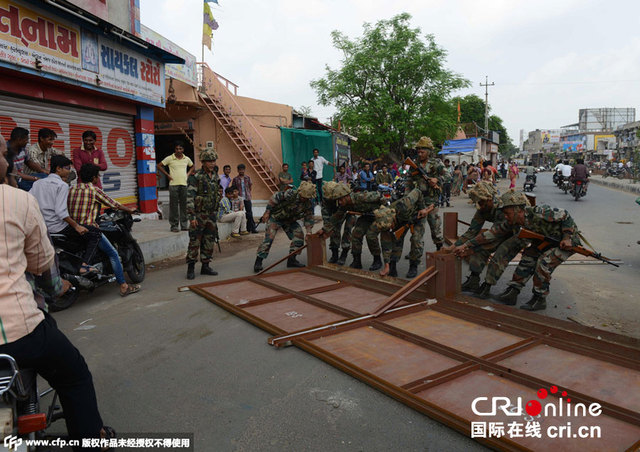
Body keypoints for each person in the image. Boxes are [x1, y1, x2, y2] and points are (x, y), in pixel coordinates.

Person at [0, 150, 115, 451]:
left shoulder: (40, 188)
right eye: (3, 154)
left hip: (59, 230)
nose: (9, 161)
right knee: (74, 375)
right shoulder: (17, 199)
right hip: (18, 328)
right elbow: (43, 265)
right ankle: (92, 438)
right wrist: (57, 287)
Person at [477, 190, 580, 311]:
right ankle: (513, 292)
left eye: (507, 213)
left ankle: (539, 298)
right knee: (528, 257)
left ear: (517, 210)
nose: (505, 216)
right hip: (545, 242)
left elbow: (565, 215)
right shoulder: (515, 222)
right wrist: (468, 245)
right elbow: (494, 233)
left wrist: (567, 237)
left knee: (544, 263)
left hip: (566, 243)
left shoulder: (539, 212)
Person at [68, 163, 141, 297]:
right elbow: (114, 204)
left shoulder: (72, 189)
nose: (99, 178)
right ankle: (124, 286)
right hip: (88, 229)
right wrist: (129, 209)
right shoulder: (94, 190)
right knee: (113, 254)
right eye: (98, 176)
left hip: (73, 228)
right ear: (94, 177)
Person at [449, 182, 525, 299]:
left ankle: (487, 285)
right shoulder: (482, 209)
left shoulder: (502, 208)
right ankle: (474, 280)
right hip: (498, 233)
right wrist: (455, 246)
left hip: (516, 234)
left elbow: (493, 234)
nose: (480, 206)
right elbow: (472, 231)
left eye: (482, 202)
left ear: (489, 198)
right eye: (478, 203)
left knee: (500, 253)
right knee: (477, 248)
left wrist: (466, 245)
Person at [30, 155, 101, 275]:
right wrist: (76, 226)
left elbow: (29, 202)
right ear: (58, 169)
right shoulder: (62, 185)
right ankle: (84, 266)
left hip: (43, 227)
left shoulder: (38, 183)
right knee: (95, 234)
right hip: (58, 227)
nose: (69, 171)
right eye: (67, 168)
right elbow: (60, 212)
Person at [319, 183, 385, 272]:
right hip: (366, 216)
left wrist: (384, 212)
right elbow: (336, 217)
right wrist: (324, 229)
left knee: (370, 235)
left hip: (378, 216)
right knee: (356, 234)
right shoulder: (344, 205)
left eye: (341, 199)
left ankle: (377, 260)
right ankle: (357, 261)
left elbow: (381, 197)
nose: (340, 202)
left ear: (347, 196)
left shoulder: (362, 197)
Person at [253, 181, 316, 272]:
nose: (303, 199)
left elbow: (309, 218)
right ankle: (258, 262)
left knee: (299, 236)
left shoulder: (309, 203)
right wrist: (267, 212)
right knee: (269, 239)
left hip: (289, 220)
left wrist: (309, 232)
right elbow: (274, 197)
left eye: (306, 198)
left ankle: (292, 260)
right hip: (276, 218)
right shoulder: (291, 194)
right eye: (302, 197)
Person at [374, 188, 434, 278]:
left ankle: (413, 265)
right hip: (404, 221)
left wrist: (422, 209)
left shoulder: (404, 204)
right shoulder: (384, 223)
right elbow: (385, 245)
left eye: (391, 226)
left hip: (418, 215)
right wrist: (387, 266)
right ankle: (392, 266)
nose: (390, 229)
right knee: (396, 240)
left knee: (416, 240)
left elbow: (417, 191)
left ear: (393, 219)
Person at [186, 149, 221, 280]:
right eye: (209, 161)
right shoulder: (196, 176)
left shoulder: (215, 175)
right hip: (199, 215)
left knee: (209, 241)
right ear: (203, 162)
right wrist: (192, 216)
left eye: (213, 161)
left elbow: (217, 193)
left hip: (211, 214)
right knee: (195, 241)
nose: (212, 163)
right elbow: (190, 197)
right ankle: (191, 268)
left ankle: (205, 266)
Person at [408, 136, 445, 252]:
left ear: (428, 152)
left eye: (422, 151)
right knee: (417, 233)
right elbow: (409, 181)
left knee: (435, 229)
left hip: (432, 202)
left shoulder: (436, 163)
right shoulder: (414, 164)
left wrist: (437, 180)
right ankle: (415, 253)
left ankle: (439, 249)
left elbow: (448, 176)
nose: (419, 154)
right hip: (418, 202)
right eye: (418, 151)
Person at [158, 141, 194, 232]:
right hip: (173, 185)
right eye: (177, 149)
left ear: (183, 149)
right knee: (173, 206)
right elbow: (159, 165)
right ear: (175, 149)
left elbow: (192, 166)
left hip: (184, 184)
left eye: (180, 149)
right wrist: (167, 175)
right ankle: (174, 226)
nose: (179, 150)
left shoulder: (186, 159)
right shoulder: (170, 158)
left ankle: (184, 225)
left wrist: (188, 174)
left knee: (184, 205)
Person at [321, 182, 356, 265]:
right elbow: (325, 213)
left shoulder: (341, 194)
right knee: (333, 231)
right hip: (336, 213)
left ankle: (344, 254)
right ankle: (335, 255)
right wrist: (326, 228)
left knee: (347, 230)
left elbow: (341, 213)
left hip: (349, 213)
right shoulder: (326, 197)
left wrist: (331, 224)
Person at [232, 163, 257, 233]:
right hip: (239, 199)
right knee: (240, 213)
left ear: (244, 170)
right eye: (240, 170)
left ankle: (251, 228)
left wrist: (248, 193)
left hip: (247, 198)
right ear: (238, 170)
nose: (241, 171)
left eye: (242, 170)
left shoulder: (248, 178)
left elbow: (250, 187)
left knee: (249, 213)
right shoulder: (235, 179)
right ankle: (241, 229)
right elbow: (233, 189)